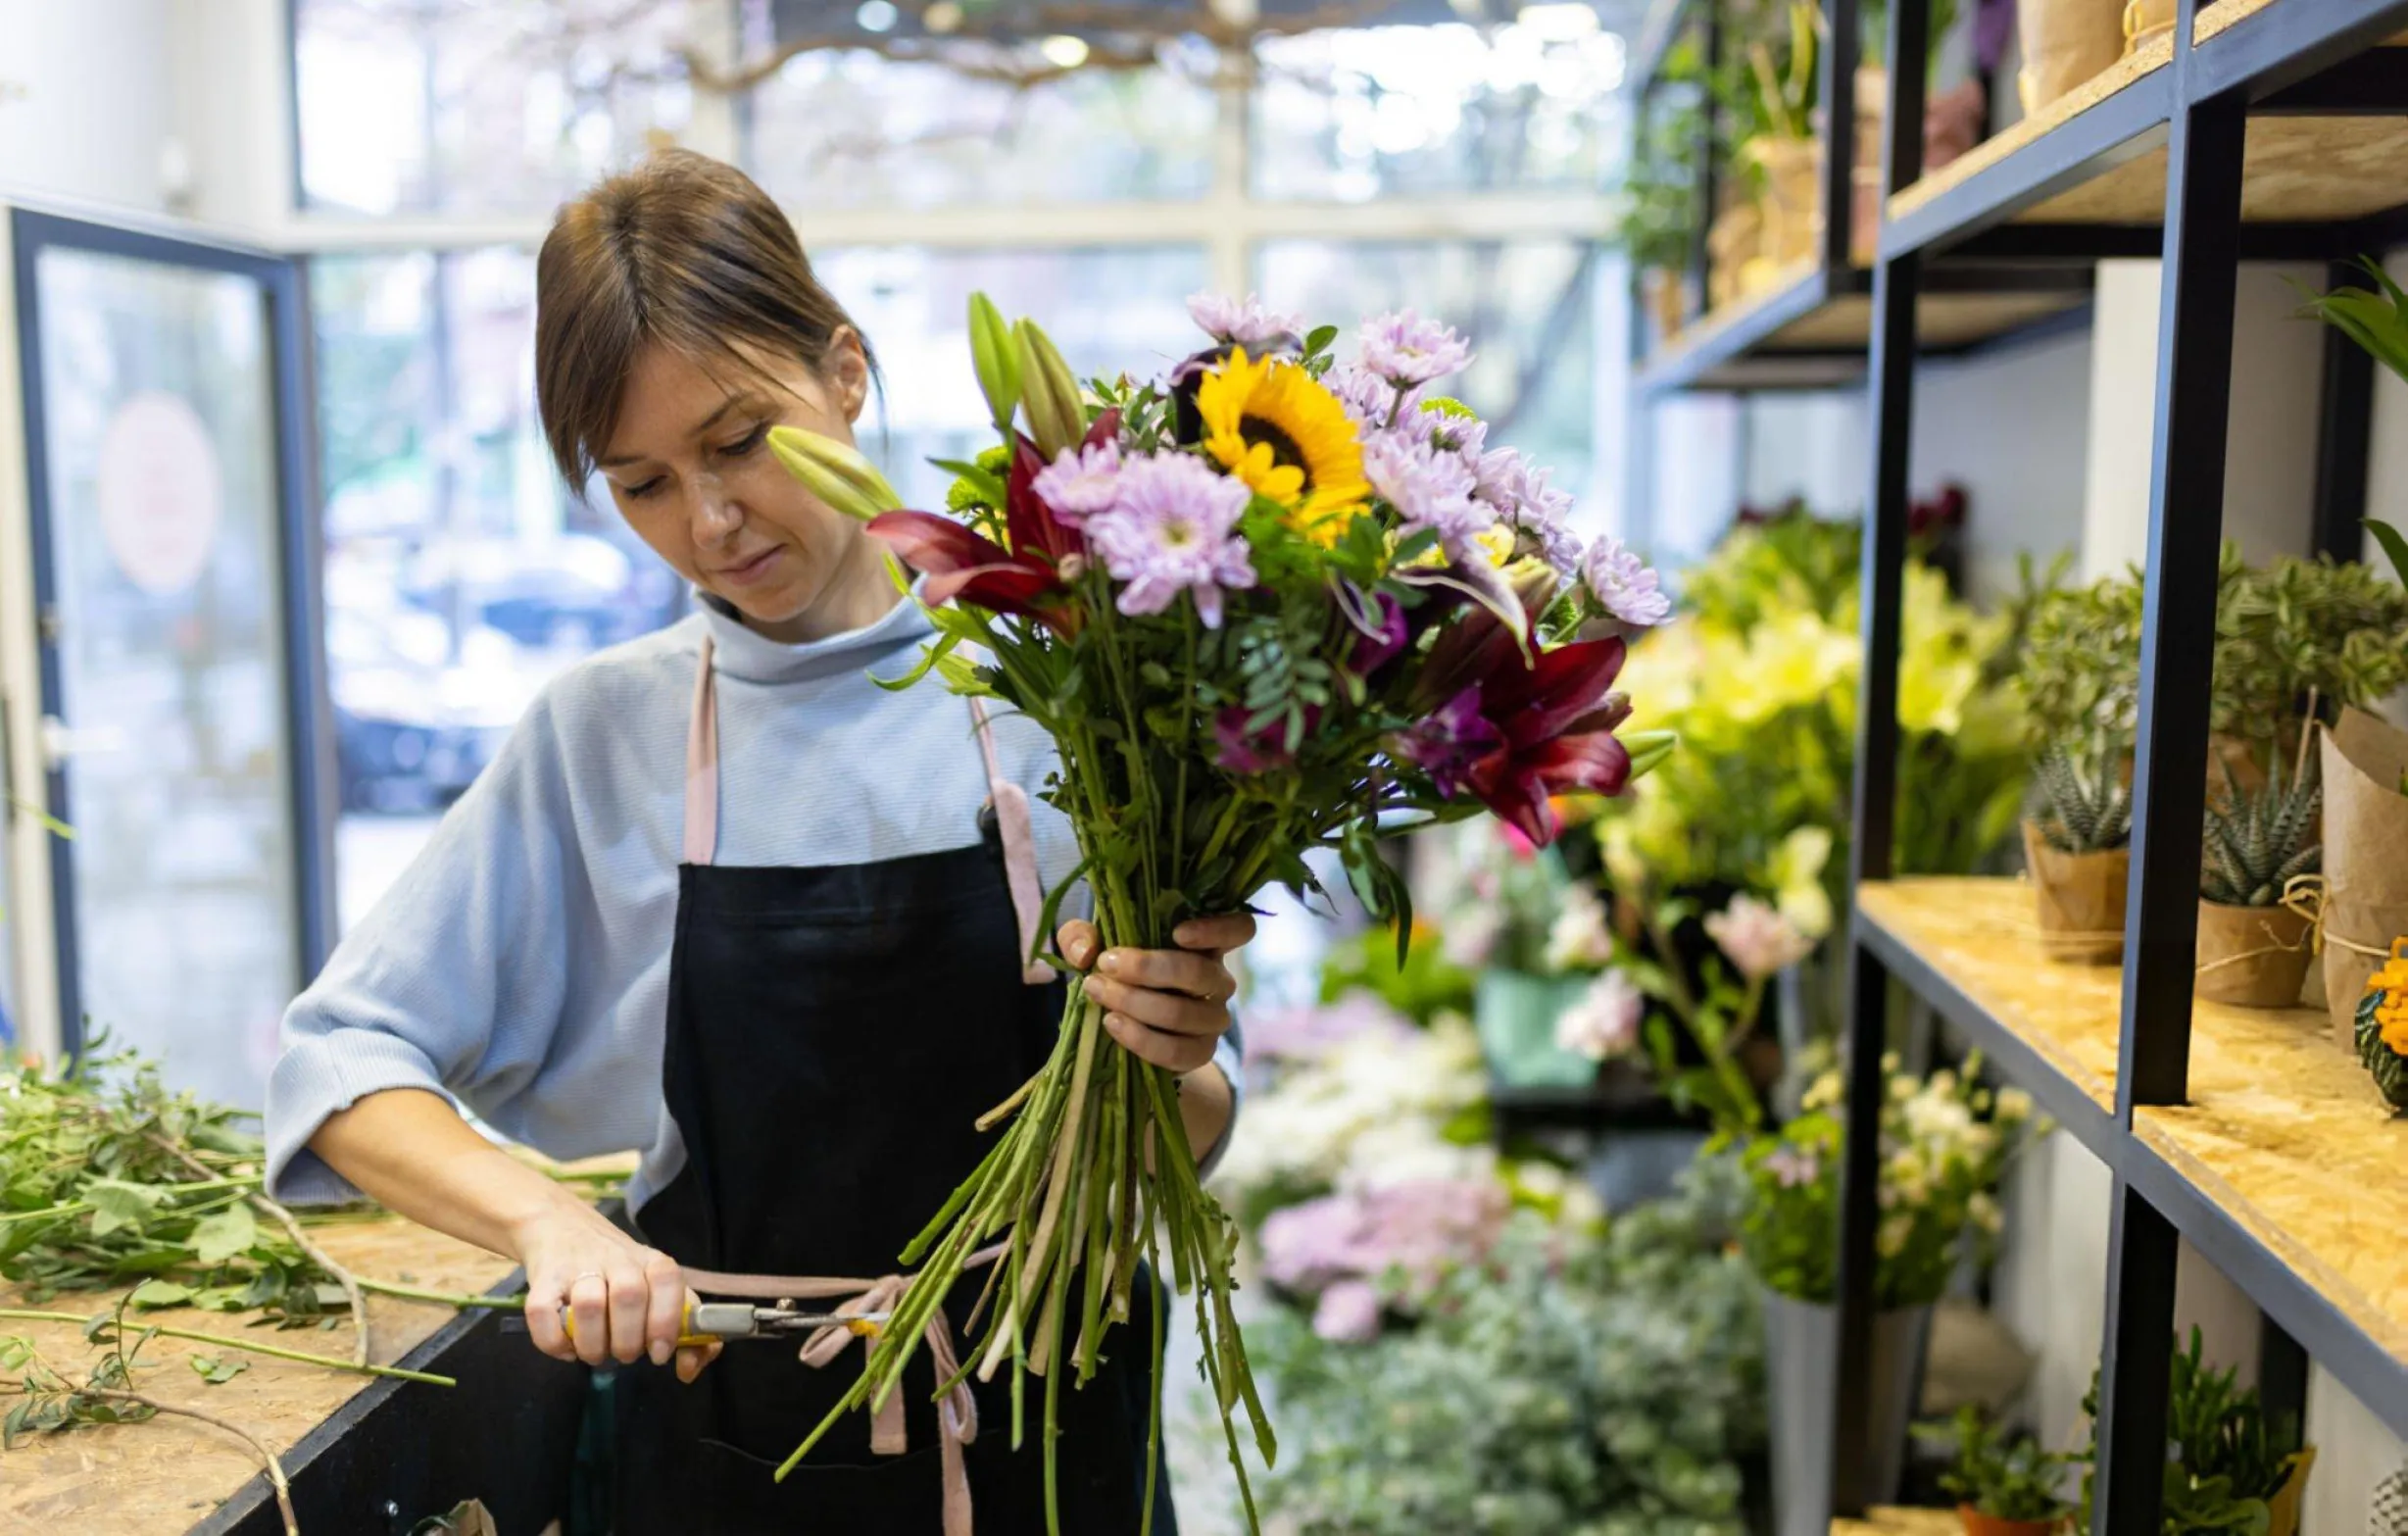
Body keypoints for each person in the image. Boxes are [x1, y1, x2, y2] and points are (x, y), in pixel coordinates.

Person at [265, 149, 1248, 1534]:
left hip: (1053, 1423)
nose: (712, 520)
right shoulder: (603, 731)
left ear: (844, 369)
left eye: (738, 441)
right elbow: (339, 1061)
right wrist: (553, 1222)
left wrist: (1177, 1051)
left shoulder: (1077, 688)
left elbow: (1190, 1134)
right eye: (645, 482)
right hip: (738, 1446)